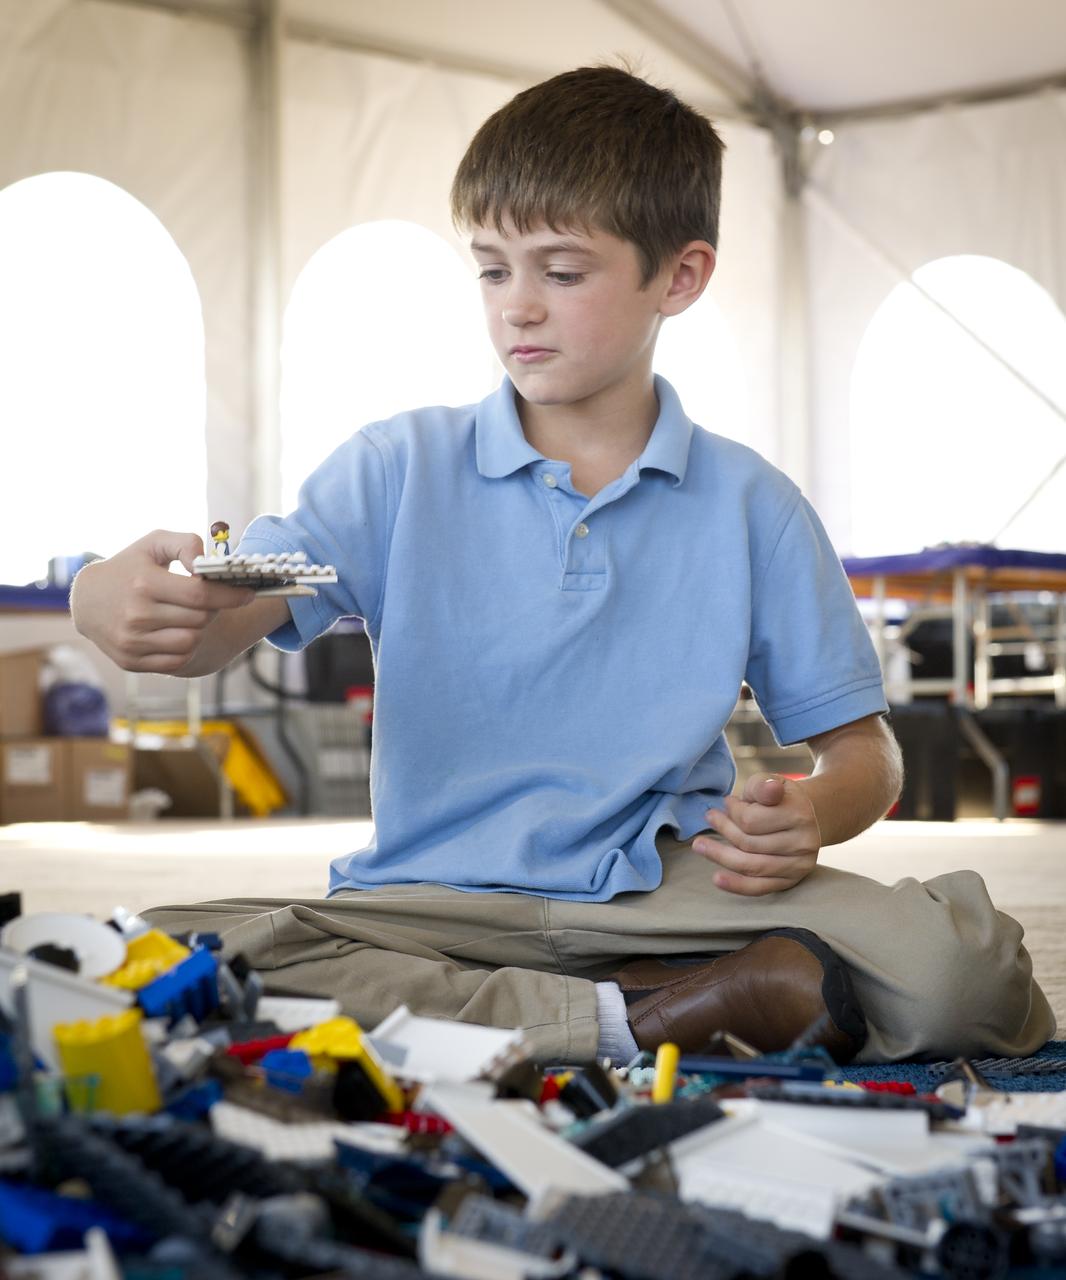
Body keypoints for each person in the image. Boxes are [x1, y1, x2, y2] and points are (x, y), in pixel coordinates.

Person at [72, 65, 1053, 1066]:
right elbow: (229, 612)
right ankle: (640, 1016)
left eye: (561, 271)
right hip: (429, 897)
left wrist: (809, 810)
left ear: (678, 276)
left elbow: (867, 753)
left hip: (672, 894)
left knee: (963, 974)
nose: (517, 309)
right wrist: (105, 596)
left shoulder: (754, 505)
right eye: (492, 269)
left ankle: (550, 1008)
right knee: (122, 955)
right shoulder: (394, 466)